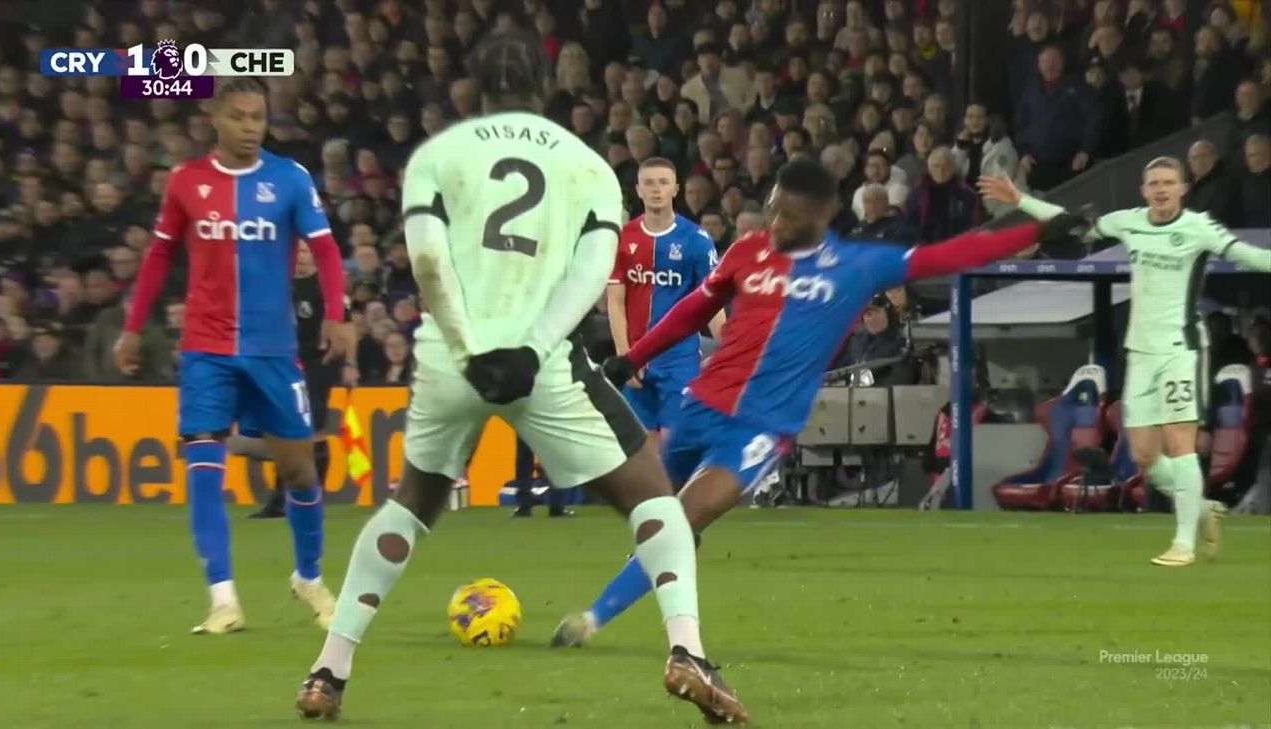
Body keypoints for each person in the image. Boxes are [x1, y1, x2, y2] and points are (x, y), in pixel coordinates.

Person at [294, 33, 746, 725]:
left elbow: (428, 261)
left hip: (451, 356)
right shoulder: (588, 164)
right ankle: (687, 650)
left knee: (411, 504)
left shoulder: (437, 156)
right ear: (546, 88)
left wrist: (472, 349)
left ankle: (331, 667)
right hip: (545, 362)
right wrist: (530, 349)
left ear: (472, 88)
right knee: (654, 497)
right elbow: (593, 270)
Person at [551, 157, 1081, 648]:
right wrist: (630, 358)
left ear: (825, 214)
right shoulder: (746, 251)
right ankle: (641, 585)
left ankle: (593, 620)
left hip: (761, 427)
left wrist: (1036, 229)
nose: (776, 221)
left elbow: (953, 254)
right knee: (652, 517)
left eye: (790, 214)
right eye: (774, 208)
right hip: (700, 406)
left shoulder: (858, 266)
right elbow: (695, 308)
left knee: (682, 522)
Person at [114, 78, 348, 633]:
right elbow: (157, 258)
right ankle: (223, 599)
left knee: (299, 471)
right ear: (214, 115)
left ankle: (308, 578)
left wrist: (336, 314)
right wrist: (131, 327)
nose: (250, 127)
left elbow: (326, 249)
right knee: (202, 467)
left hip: (272, 348)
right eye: (240, 116)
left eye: (258, 118)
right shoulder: (185, 182)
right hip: (206, 348)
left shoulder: (289, 178)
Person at [980, 159, 1271, 566]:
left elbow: (1250, 255)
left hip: (1181, 349)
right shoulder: (1128, 222)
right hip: (1141, 352)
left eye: (1170, 182)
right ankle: (1202, 509)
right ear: (1144, 189)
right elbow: (1070, 222)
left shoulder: (1199, 226)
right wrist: (1021, 199)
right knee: (1147, 459)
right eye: (1155, 183)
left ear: (1184, 189)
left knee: (1180, 444)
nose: (1162, 189)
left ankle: (1184, 543)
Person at [608, 157, 726, 450]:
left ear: (676, 188)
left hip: (679, 360)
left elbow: (711, 302)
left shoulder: (697, 240)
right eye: (649, 183)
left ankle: (678, 494)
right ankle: (650, 497)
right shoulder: (624, 238)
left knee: (677, 443)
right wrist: (626, 357)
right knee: (640, 444)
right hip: (637, 357)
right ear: (638, 190)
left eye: (663, 182)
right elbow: (615, 300)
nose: (656, 189)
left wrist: (730, 345)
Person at [244, 241, 356, 520]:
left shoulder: (326, 287)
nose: (302, 258)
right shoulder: (277, 285)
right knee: (283, 430)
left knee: (313, 428)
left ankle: (313, 497)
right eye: (297, 252)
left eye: (306, 253)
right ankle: (281, 499)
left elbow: (347, 327)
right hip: (285, 363)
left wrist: (351, 362)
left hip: (320, 362)